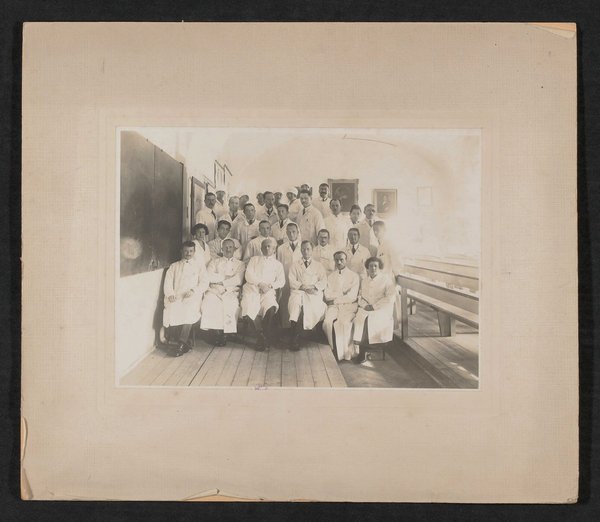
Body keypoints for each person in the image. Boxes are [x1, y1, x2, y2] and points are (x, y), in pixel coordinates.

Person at [162, 242, 209, 357]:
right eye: (186, 251)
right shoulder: (174, 266)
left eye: (191, 251)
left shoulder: (199, 266)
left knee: (189, 312)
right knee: (172, 308)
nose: (188, 253)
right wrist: (170, 294)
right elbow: (168, 282)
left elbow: (204, 282)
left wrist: (194, 291)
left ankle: (181, 343)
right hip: (177, 295)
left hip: (193, 296)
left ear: (194, 252)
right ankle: (180, 342)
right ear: (181, 251)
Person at [241, 238, 285, 351]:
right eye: (264, 246)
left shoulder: (278, 264)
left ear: (274, 249)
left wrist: (269, 286)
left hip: (268, 292)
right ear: (261, 248)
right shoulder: (254, 260)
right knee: (249, 308)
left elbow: (281, 281)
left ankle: (264, 334)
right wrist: (260, 284)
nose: (267, 248)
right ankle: (260, 336)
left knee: (271, 307)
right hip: (252, 289)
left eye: (269, 246)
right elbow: (248, 275)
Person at [200, 239, 245, 346]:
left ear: (234, 249)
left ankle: (227, 333)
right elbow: (208, 276)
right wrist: (225, 277)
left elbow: (238, 280)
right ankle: (216, 332)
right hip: (214, 290)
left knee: (231, 304)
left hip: (231, 290)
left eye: (230, 247)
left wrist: (220, 281)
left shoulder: (240, 264)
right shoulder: (214, 261)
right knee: (209, 301)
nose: (228, 249)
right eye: (226, 247)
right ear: (222, 249)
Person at [352, 257, 396, 363]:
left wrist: (374, 307)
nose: (373, 268)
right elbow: (360, 297)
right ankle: (362, 350)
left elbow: (390, 297)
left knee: (370, 320)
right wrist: (365, 305)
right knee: (359, 318)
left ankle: (365, 351)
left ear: (379, 267)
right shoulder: (365, 281)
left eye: (375, 266)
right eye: (371, 266)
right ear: (367, 268)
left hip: (381, 309)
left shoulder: (386, 279)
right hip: (367, 308)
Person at [287, 241, 327, 350]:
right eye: (303, 249)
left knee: (314, 307)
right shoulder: (295, 265)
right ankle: (294, 336)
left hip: (314, 293)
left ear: (312, 250)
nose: (306, 251)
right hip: (299, 291)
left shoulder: (318, 266)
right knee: (295, 304)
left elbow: (323, 281)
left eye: (308, 249)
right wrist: (303, 287)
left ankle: (308, 333)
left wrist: (314, 287)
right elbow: (291, 280)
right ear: (301, 250)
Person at [323, 251, 360, 361]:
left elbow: (352, 297)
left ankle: (346, 353)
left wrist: (335, 299)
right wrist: (342, 293)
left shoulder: (354, 276)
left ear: (346, 260)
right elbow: (327, 296)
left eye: (341, 260)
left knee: (344, 324)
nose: (339, 262)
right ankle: (332, 349)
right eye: (337, 260)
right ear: (334, 261)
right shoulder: (330, 276)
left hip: (348, 306)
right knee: (327, 322)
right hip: (334, 307)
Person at [276, 222, 303, 328]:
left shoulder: (303, 247)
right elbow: (278, 265)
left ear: (298, 232)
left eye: (294, 232)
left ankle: (298, 328)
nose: (291, 234)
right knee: (285, 300)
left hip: (299, 280)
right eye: (289, 232)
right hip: (285, 278)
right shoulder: (281, 248)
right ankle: (286, 327)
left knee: (298, 302)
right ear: (286, 233)